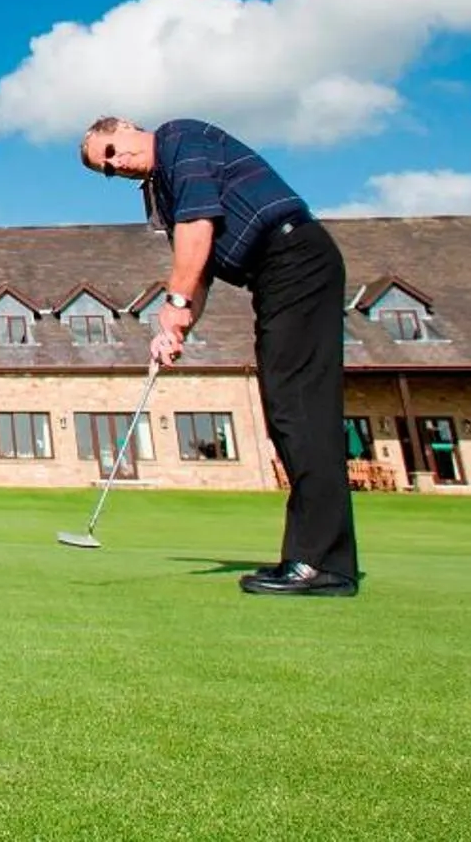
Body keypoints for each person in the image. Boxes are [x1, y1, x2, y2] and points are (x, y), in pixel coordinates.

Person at [81, 115, 359, 598]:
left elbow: (198, 227)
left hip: (295, 257)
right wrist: (174, 330)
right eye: (105, 169)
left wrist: (175, 303)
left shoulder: (179, 138)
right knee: (286, 411)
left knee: (299, 409)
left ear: (124, 126)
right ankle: (319, 557)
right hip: (276, 276)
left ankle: (321, 563)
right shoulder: (163, 191)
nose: (116, 164)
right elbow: (201, 271)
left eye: (110, 151)